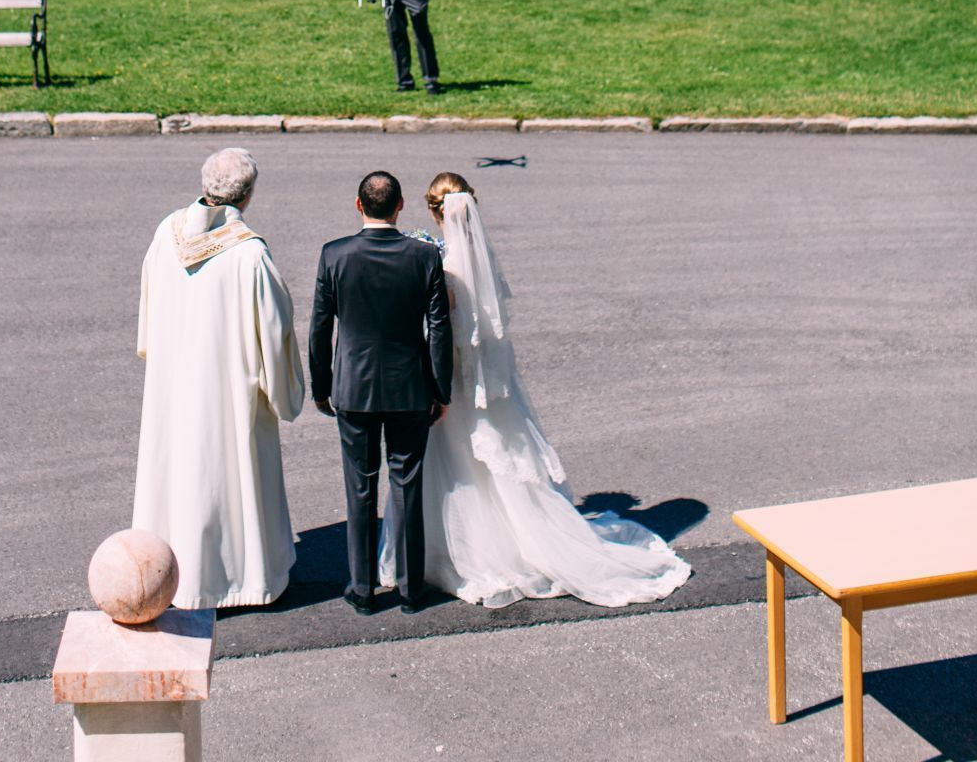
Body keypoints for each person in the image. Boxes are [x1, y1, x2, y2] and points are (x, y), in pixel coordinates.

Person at [381, 171, 691, 609]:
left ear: (434, 212)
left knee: (451, 467)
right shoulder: (474, 260)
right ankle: (498, 540)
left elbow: (439, 326)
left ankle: (460, 550)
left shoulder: (440, 264)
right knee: (489, 464)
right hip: (483, 382)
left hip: (448, 378)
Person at [132, 146, 305, 609]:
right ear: (246, 196)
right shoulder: (249, 256)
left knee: (178, 475)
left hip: (175, 381)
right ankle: (240, 579)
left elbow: (149, 309)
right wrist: (283, 393)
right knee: (227, 476)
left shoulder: (166, 233)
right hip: (229, 391)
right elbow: (275, 331)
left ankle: (172, 575)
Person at [309, 170, 452, 616]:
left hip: (352, 386)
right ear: (400, 205)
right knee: (406, 484)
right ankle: (410, 590)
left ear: (358, 205)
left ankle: (364, 588)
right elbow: (438, 327)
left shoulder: (335, 255)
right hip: (409, 385)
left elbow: (319, 328)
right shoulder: (424, 256)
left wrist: (321, 384)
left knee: (360, 487)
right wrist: (441, 387)